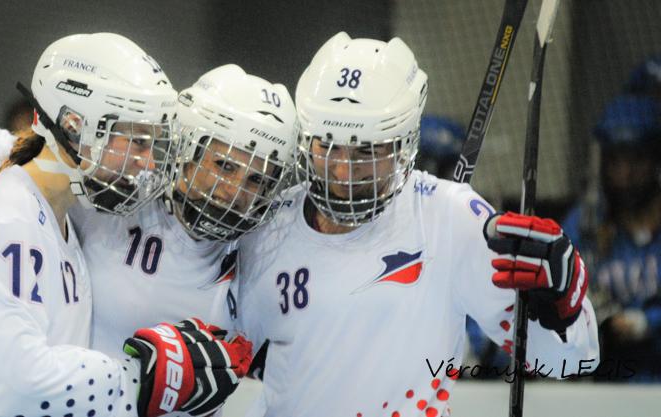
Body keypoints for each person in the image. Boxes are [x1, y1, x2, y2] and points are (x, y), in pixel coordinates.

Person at [0, 33, 252, 417]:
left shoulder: (60, 220)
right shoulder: (10, 213)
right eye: (136, 141)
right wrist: (137, 380)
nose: (148, 163)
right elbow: (16, 387)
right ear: (73, 124)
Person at [229, 32, 599, 417]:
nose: (342, 170)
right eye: (327, 144)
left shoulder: (449, 219)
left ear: (403, 144)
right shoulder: (268, 225)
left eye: (366, 150)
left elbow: (569, 362)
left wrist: (561, 306)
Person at [563, 94, 661, 380]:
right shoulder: (586, 223)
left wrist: (648, 323)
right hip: (606, 386)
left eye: (636, 160)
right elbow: (553, 286)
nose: (625, 174)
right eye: (615, 161)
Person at [416, 115, 465, 180]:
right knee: (429, 165)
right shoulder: (424, 125)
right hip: (427, 157)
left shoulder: (454, 130)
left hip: (447, 159)